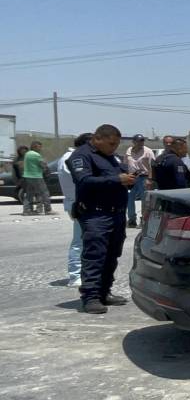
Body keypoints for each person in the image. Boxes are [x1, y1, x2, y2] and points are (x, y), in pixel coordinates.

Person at [70, 124, 135, 314]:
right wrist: (118, 180)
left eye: (116, 144)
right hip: (96, 214)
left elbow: (113, 177)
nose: (114, 148)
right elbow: (84, 181)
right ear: (97, 138)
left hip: (115, 213)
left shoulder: (109, 157)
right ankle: (90, 297)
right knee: (95, 256)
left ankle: (104, 292)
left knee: (112, 254)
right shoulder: (82, 156)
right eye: (111, 144)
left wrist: (127, 179)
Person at [58, 133, 93, 287]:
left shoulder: (69, 156)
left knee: (83, 240)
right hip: (79, 203)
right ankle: (75, 275)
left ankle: (80, 273)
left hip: (77, 202)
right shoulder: (72, 158)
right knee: (79, 241)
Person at [123, 134, 155, 228]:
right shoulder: (129, 150)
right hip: (131, 176)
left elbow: (153, 166)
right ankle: (132, 220)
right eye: (138, 141)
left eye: (142, 141)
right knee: (129, 198)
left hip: (144, 177)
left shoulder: (148, 151)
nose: (141, 142)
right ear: (134, 142)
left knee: (144, 200)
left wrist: (150, 179)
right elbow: (125, 163)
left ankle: (143, 220)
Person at [21, 141, 52, 216]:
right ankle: (48, 210)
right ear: (35, 146)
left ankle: (27, 210)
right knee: (44, 193)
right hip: (36, 176)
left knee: (29, 194)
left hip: (28, 176)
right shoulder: (36, 155)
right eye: (39, 147)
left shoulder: (27, 154)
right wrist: (45, 165)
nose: (41, 148)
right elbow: (43, 165)